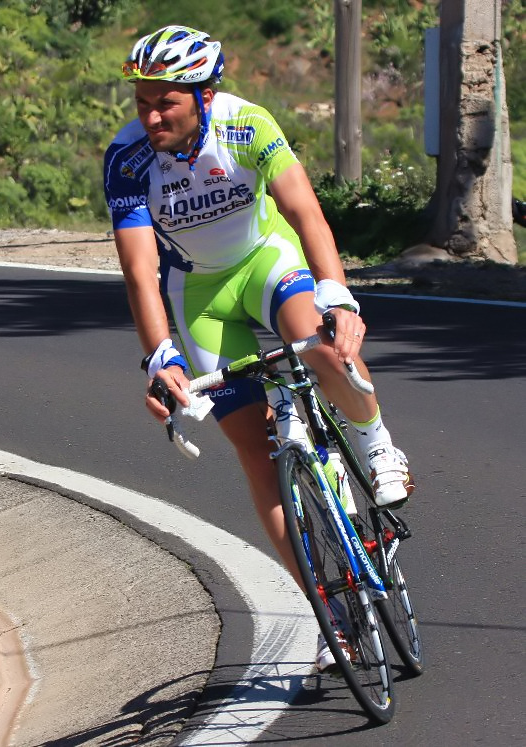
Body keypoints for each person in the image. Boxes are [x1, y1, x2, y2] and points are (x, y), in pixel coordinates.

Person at [103, 25, 415, 672]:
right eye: (143, 102)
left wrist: (338, 295)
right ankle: (332, 614)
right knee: (255, 451)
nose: (152, 114)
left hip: (264, 259)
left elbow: (305, 213)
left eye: (167, 102)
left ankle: (376, 443)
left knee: (319, 343)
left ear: (206, 95)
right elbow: (138, 270)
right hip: (201, 295)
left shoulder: (246, 124)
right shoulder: (127, 158)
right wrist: (162, 357)